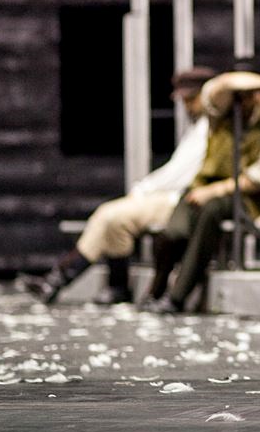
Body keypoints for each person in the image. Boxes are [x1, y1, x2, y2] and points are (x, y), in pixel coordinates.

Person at [21, 66, 216, 305]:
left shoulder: (209, 129)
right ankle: (75, 281)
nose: (186, 106)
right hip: (170, 195)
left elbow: (180, 174)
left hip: (178, 198)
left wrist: (144, 189)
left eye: (190, 99)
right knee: (109, 218)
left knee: (112, 217)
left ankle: (69, 280)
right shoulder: (200, 127)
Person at [145, 70, 260, 313]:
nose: (241, 101)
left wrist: (214, 191)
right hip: (203, 187)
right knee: (172, 233)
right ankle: (156, 289)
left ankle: (177, 296)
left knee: (210, 212)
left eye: (246, 95)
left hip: (242, 196)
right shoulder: (222, 117)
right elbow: (210, 97)